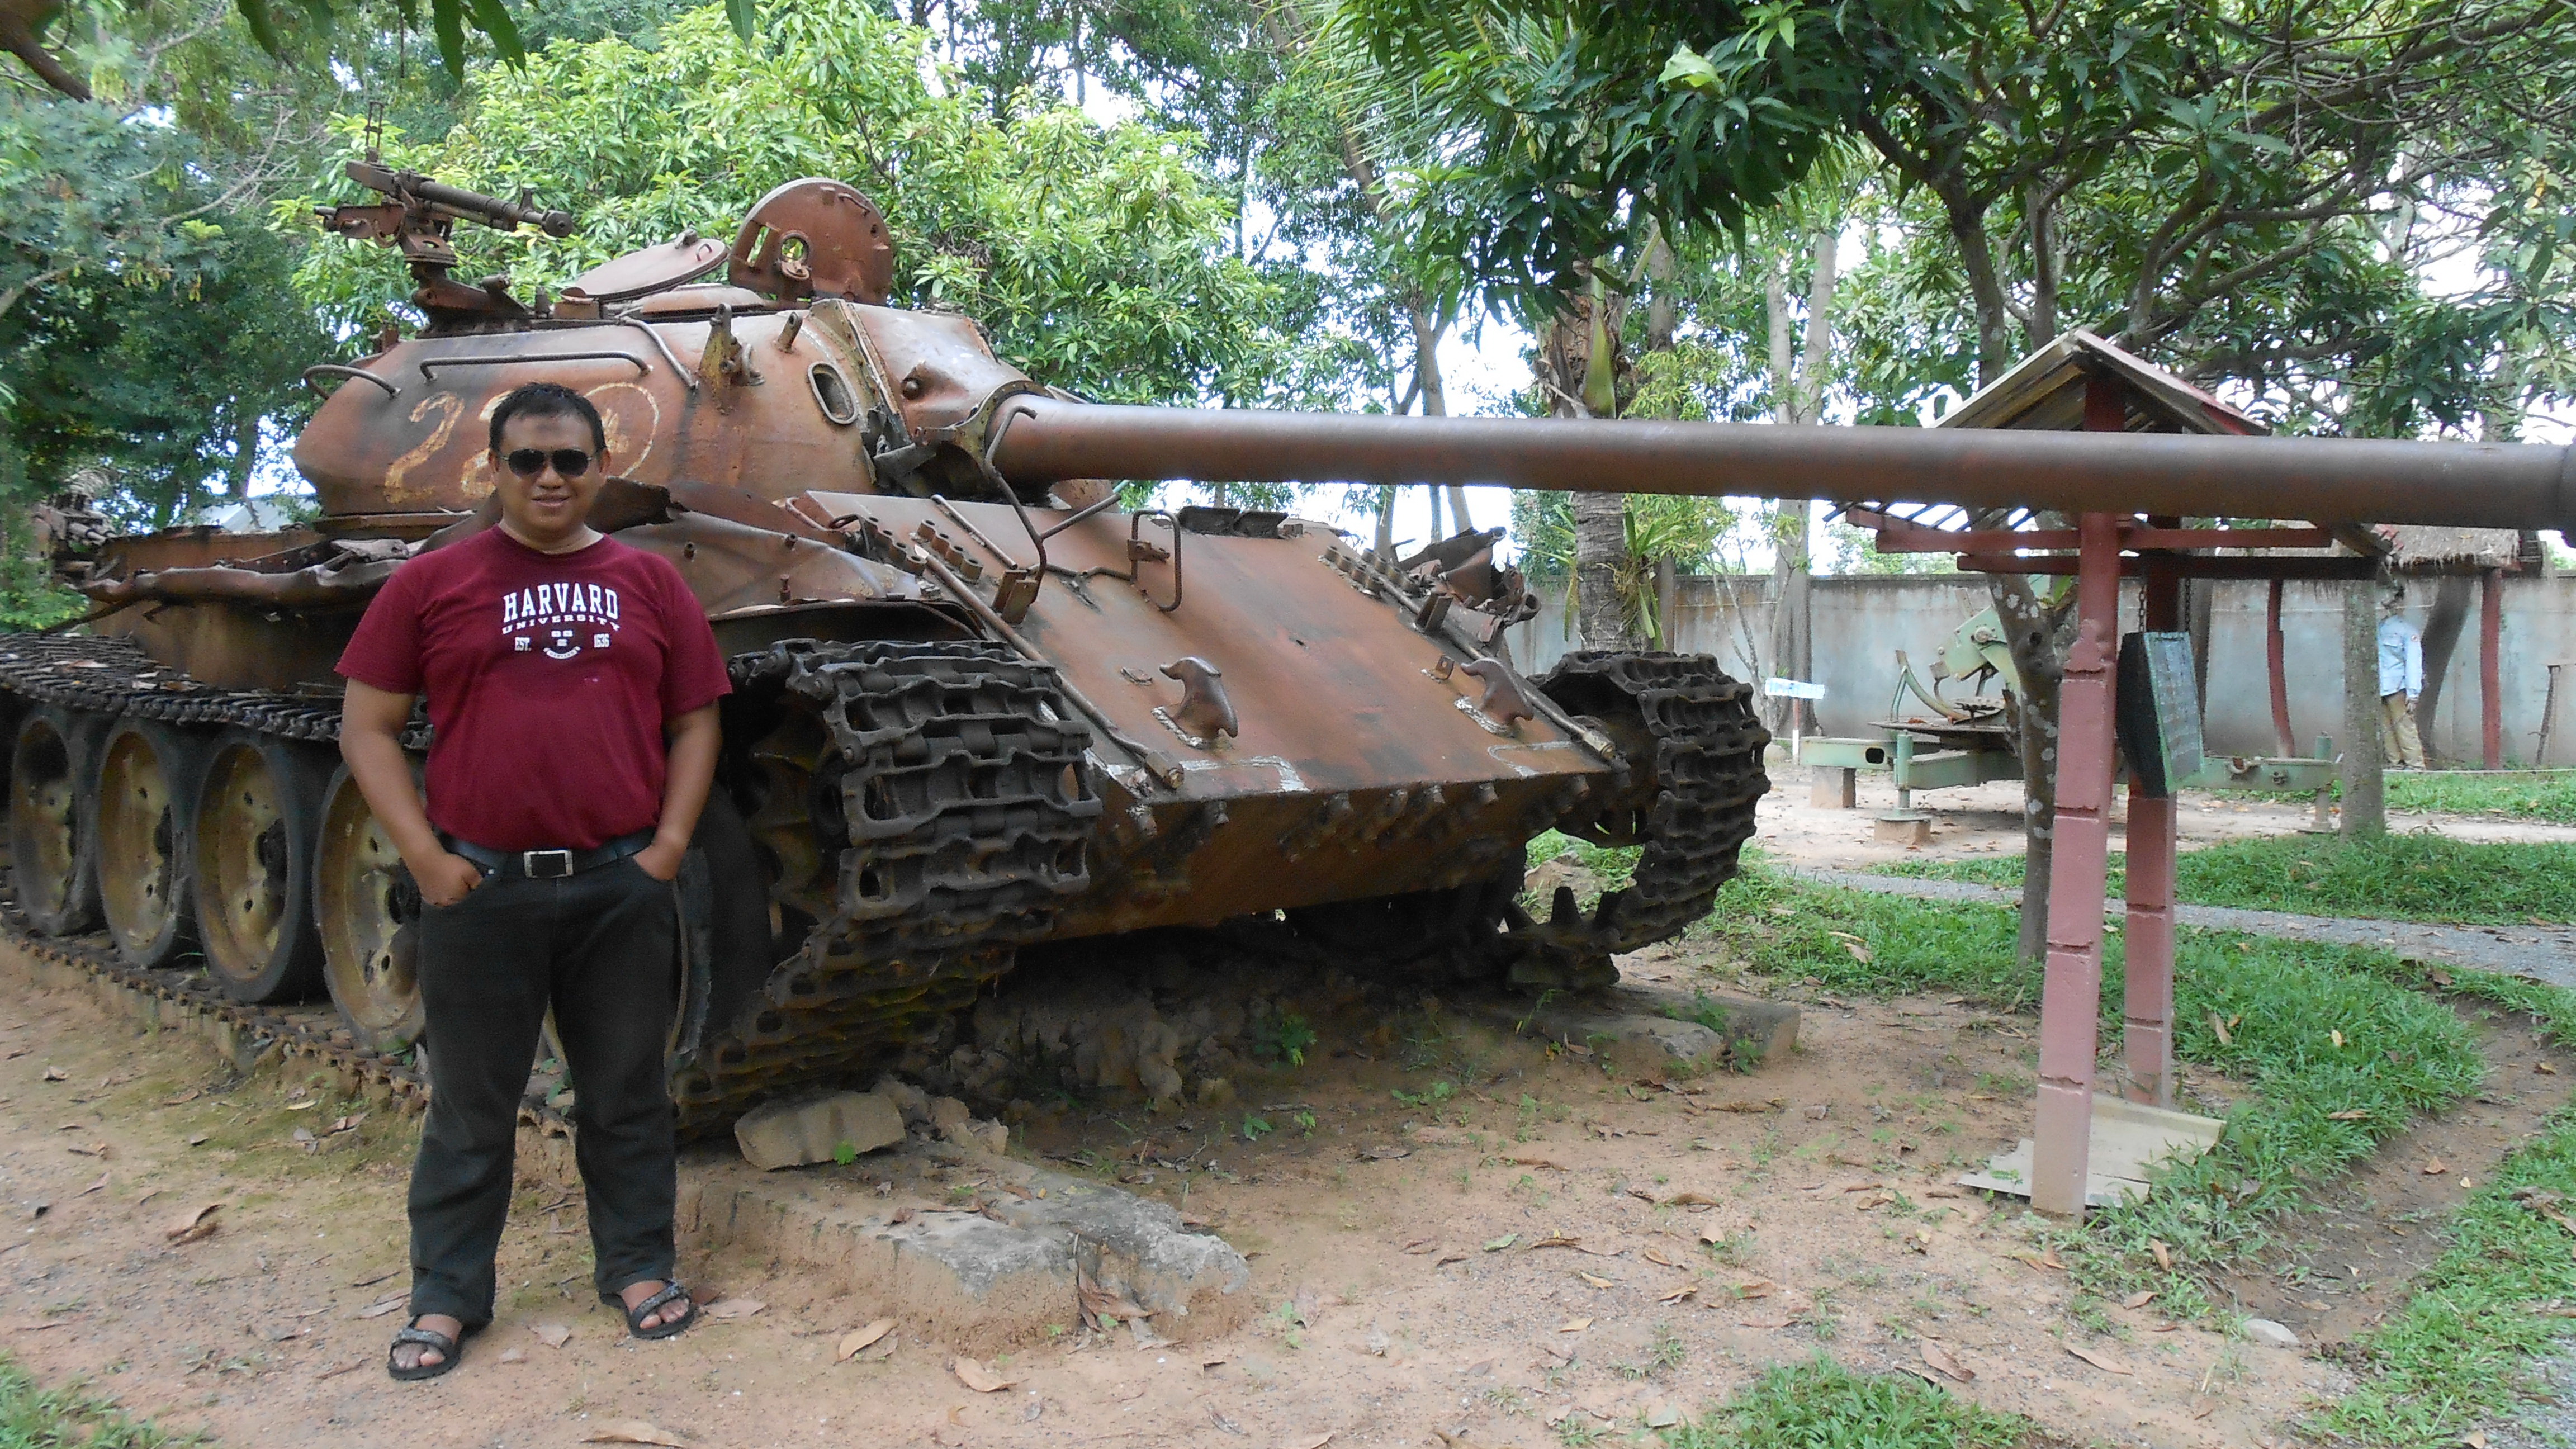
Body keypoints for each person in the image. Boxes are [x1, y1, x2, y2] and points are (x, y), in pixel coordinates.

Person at [337, 381, 730, 1381]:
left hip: (616, 882)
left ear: (601, 468)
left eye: (568, 460)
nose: (549, 478)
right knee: (469, 1105)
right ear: (494, 470)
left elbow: (695, 721)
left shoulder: (650, 582)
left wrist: (667, 848)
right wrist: (427, 859)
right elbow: (366, 726)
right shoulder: (433, 582)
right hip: (483, 886)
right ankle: (446, 1295)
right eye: (527, 461)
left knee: (627, 1093)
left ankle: (638, 1267)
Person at [2377, 581, 2427, 770]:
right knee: (2386, 728)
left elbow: (2414, 662)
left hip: (2399, 687)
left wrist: (2413, 693)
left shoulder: (2408, 630)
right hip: (2380, 687)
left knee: (2404, 726)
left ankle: (2416, 766)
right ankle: (2395, 764)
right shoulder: (2378, 627)